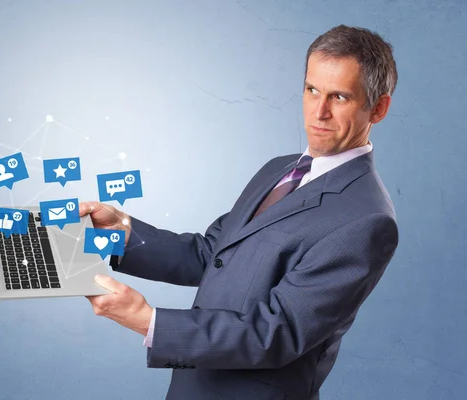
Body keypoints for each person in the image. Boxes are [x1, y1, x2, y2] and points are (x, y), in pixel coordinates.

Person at [79, 24, 399, 400]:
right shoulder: (280, 168)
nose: (319, 111)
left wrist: (148, 320)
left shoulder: (367, 220)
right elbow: (210, 253)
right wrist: (119, 232)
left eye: (339, 97)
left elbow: (276, 333)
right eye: (311, 90)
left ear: (377, 108)